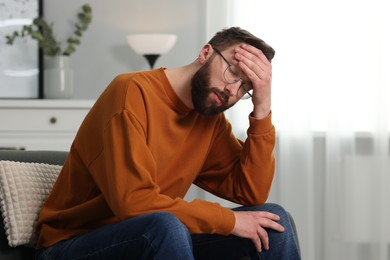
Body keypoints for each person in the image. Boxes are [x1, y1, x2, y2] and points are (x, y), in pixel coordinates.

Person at [35, 27, 301, 260]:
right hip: (72, 244)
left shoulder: (209, 120)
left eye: (245, 87)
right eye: (233, 71)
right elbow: (134, 203)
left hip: (152, 237)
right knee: (165, 226)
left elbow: (250, 192)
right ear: (206, 53)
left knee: (273, 221)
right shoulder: (131, 93)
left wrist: (262, 109)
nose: (233, 90)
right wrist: (228, 220)